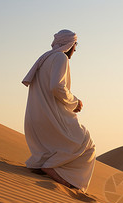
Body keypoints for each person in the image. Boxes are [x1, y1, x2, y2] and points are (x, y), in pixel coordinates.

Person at [22, 29, 95, 192]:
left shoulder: (45, 58)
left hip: (36, 118)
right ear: (70, 44)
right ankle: (55, 171)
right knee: (86, 143)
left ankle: (45, 165)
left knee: (66, 145)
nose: (75, 49)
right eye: (75, 45)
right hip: (50, 118)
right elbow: (56, 87)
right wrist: (75, 102)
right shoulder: (60, 58)